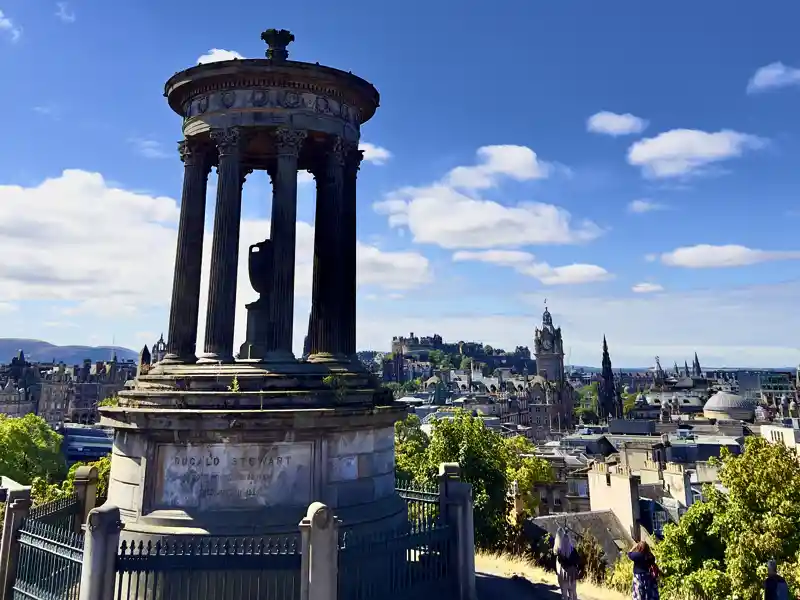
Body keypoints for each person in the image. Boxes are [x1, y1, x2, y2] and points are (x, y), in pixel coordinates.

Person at [553, 527, 579, 600]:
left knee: (564, 595)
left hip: (563, 574)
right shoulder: (573, 550)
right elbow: (577, 560)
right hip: (572, 573)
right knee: (573, 593)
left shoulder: (558, 553)